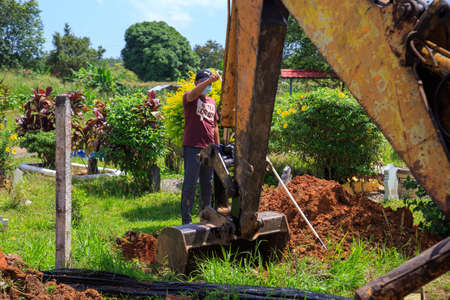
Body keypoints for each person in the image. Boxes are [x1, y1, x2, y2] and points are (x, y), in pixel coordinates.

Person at [181, 69, 221, 224]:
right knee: (190, 184)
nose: (208, 86)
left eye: (209, 82)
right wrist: (210, 80)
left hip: (209, 148)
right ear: (196, 83)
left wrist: (217, 147)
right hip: (192, 147)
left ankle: (206, 217)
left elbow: (215, 125)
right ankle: (186, 220)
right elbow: (192, 95)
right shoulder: (189, 97)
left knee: (207, 184)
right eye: (204, 82)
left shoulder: (212, 102)